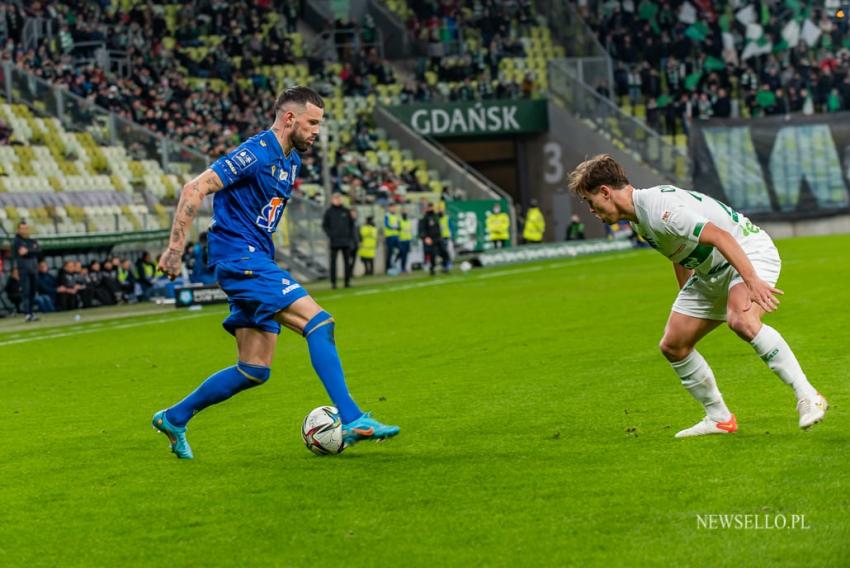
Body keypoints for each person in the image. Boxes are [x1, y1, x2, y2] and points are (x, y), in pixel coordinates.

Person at [152, 86, 399, 459]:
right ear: (289, 119)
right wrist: (175, 249)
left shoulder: (291, 161)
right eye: (312, 122)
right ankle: (351, 418)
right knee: (319, 323)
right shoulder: (254, 153)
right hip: (240, 260)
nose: (317, 131)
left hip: (255, 258)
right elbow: (194, 188)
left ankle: (174, 417)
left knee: (254, 368)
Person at [568, 154, 827, 438]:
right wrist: (687, 298)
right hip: (710, 270)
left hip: (748, 251)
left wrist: (752, 280)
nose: (591, 210)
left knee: (741, 320)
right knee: (673, 344)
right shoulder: (639, 219)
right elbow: (678, 252)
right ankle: (719, 418)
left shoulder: (660, 209)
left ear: (605, 191)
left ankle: (808, 395)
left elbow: (720, 237)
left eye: (590, 201)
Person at [322, 192, 355, 289]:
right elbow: (325, 225)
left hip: (345, 241)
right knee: (333, 263)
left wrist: (350, 236)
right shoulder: (329, 212)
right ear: (332, 200)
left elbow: (351, 224)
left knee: (347, 262)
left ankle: (347, 282)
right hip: (334, 242)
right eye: (335, 198)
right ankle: (333, 283)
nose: (338, 200)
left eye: (339, 198)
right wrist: (331, 235)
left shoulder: (346, 211)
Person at [12, 221, 40, 321]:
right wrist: (32, 250)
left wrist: (29, 251)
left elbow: (38, 250)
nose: (24, 230)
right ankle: (27, 313)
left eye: (26, 228)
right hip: (23, 270)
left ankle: (31, 312)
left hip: (33, 269)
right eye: (22, 228)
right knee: (26, 292)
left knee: (33, 292)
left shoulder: (32, 240)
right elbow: (21, 252)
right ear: (18, 230)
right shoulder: (17, 241)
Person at [419, 202, 449, 275]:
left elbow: (440, 218)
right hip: (431, 239)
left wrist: (441, 210)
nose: (431, 208)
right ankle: (432, 269)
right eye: (429, 207)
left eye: (432, 207)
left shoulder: (436, 216)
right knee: (433, 255)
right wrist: (425, 237)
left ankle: (444, 267)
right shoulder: (425, 218)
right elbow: (422, 229)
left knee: (444, 252)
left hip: (438, 237)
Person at [383, 202, 401, 273]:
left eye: (394, 207)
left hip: (396, 236)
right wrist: (395, 227)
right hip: (389, 236)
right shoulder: (387, 215)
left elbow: (398, 225)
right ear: (389, 208)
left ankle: (395, 262)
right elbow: (387, 225)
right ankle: (388, 268)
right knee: (389, 252)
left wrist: (398, 228)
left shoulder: (396, 216)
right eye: (392, 207)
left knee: (401, 250)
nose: (394, 209)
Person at [348, 208, 360, 277]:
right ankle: (348, 272)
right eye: (352, 213)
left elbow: (358, 233)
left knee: (354, 259)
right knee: (349, 260)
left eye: (355, 213)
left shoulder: (357, 222)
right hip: (349, 244)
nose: (354, 215)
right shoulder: (348, 222)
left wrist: (359, 241)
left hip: (356, 243)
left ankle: (351, 272)